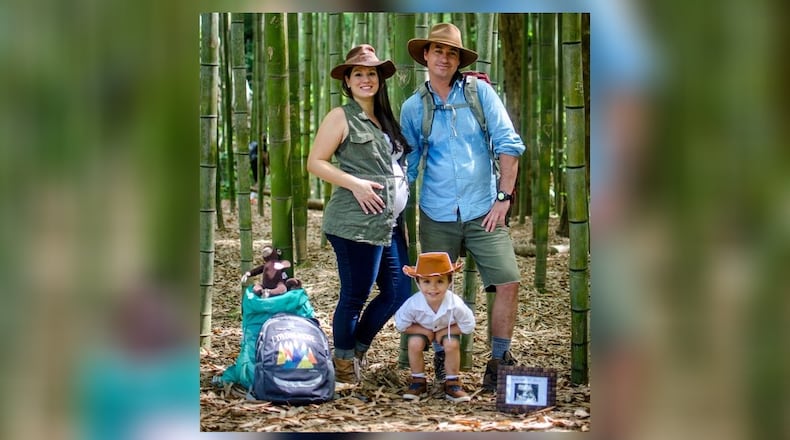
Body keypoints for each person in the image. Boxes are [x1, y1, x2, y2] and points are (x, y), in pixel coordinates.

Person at [400, 23, 526, 392]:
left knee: (507, 281)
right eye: (437, 50)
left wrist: (503, 198)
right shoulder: (413, 107)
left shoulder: (480, 93)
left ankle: (499, 360)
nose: (444, 57)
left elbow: (508, 144)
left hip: (483, 208)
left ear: (459, 60)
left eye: (452, 52)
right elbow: (409, 165)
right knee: (434, 290)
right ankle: (442, 359)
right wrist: (395, 212)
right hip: (437, 212)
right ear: (425, 55)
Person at [306, 44, 412, 384]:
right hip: (356, 222)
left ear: (379, 79)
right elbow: (316, 162)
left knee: (398, 291)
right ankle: (343, 366)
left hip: (389, 223)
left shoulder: (385, 118)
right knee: (355, 295)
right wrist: (356, 184)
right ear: (347, 82)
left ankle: (356, 353)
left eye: (371, 73)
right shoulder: (341, 116)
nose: (366, 79)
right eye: (358, 74)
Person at [394, 252, 476, 403]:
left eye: (440, 281)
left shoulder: (455, 303)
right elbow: (401, 324)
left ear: (449, 282)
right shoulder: (413, 304)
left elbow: (468, 325)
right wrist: (425, 331)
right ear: (418, 283)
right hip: (421, 328)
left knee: (452, 344)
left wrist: (443, 331)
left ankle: (452, 383)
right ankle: (418, 381)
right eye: (426, 281)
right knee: (414, 343)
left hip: (447, 329)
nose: (433, 287)